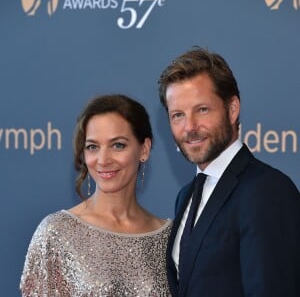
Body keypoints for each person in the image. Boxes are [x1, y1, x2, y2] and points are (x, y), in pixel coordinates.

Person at [158, 46, 300, 297]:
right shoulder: (186, 196)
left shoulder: (267, 190)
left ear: (232, 109)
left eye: (202, 110)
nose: (189, 127)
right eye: (177, 115)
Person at [20, 94, 172, 296]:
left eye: (118, 145)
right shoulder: (56, 233)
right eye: (93, 147)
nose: (103, 159)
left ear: (144, 149)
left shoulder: (169, 237)